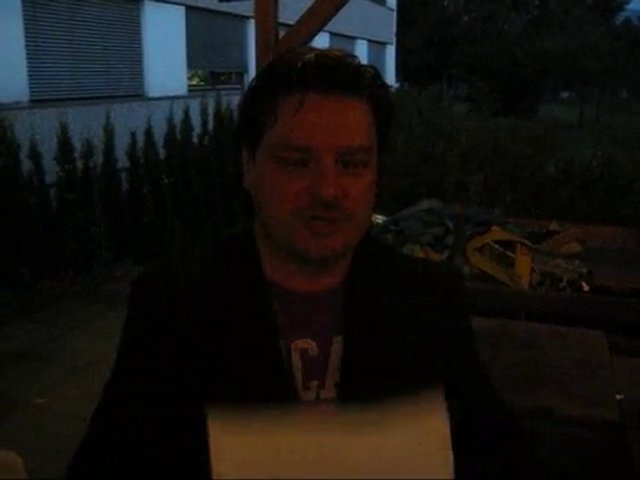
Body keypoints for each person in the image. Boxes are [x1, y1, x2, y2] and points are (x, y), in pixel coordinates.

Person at [67, 47, 533, 479]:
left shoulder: (427, 301)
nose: (327, 190)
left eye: (351, 164)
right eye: (295, 162)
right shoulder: (174, 307)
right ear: (248, 167)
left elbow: (496, 454)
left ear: (376, 176)